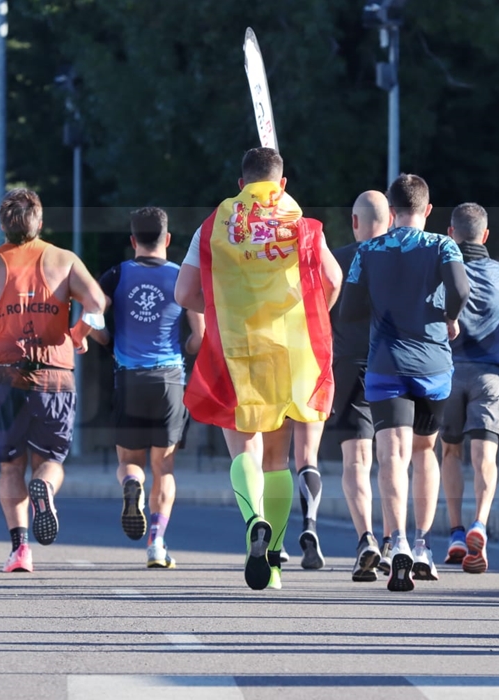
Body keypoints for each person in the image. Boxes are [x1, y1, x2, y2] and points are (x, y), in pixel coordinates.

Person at [174, 147, 341, 591]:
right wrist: (313, 314)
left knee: (243, 450)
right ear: (282, 183)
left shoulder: (214, 226)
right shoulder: (304, 226)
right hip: (291, 352)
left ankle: (254, 521)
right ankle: (273, 565)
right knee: (277, 459)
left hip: (236, 349)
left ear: (240, 183)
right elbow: (333, 279)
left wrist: (217, 304)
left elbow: (184, 293)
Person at [0, 188, 105, 574]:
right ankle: (45, 490)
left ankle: (20, 549)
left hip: (4, 375)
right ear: (39, 221)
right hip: (55, 375)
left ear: (2, 225)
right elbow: (97, 303)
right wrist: (77, 334)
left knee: (9, 467)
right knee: (51, 460)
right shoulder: (64, 260)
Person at [340, 174, 469, 592]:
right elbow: (461, 289)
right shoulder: (442, 245)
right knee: (424, 452)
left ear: (391, 211)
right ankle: (422, 545)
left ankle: (394, 540)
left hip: (385, 363)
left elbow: (350, 310)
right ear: (428, 210)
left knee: (390, 453)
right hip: (433, 364)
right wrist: (448, 318)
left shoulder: (369, 250)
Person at [90, 206, 205, 569]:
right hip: (170, 379)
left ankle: (131, 485)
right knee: (165, 467)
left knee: (129, 461)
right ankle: (157, 542)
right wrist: (185, 349)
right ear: (168, 239)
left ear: (132, 240)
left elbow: (91, 316)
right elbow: (200, 337)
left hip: (128, 378)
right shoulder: (181, 278)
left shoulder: (117, 274)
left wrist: (107, 340)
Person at [438, 203, 499, 575]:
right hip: (489, 375)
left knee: (450, 453)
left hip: (447, 373)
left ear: (451, 233)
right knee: (485, 458)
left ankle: (455, 532)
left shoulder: (442, 272)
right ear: (485, 236)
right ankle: (479, 524)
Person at [330, 191, 390, 582]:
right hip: (397, 364)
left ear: (354, 222)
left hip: (349, 365)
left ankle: (365, 536)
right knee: (396, 458)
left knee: (356, 461)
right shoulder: (404, 256)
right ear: (389, 221)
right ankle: (396, 539)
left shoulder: (336, 260)